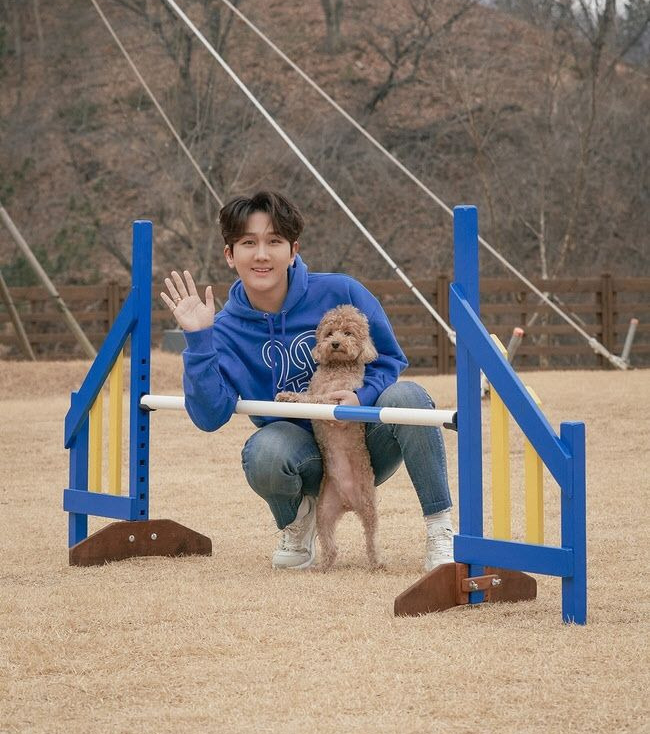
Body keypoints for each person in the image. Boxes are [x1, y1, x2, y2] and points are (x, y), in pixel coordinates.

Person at [161, 190, 453, 572]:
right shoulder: (225, 329)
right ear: (230, 255)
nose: (262, 254)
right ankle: (299, 518)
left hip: (365, 442)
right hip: (301, 458)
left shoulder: (341, 291)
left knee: (410, 397)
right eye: (248, 243)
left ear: (293, 250)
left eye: (274, 241)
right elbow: (209, 416)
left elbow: (389, 359)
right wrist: (200, 339)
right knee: (264, 450)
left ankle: (441, 531)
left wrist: (362, 397)